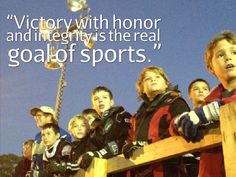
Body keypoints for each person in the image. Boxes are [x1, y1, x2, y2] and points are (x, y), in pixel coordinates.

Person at [174, 31, 236, 177]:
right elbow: (188, 121)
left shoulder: (208, 108)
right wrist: (180, 123)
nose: (228, 57)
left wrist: (208, 113)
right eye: (220, 55)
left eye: (234, 52)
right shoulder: (208, 102)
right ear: (210, 68)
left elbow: (230, 105)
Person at [122, 66, 191, 177]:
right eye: (148, 79)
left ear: (166, 84)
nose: (153, 80)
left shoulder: (175, 102)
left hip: (167, 169)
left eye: (157, 77)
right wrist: (126, 146)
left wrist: (147, 144)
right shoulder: (137, 115)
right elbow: (130, 139)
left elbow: (179, 129)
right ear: (142, 88)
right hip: (140, 170)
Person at [79, 86, 132, 170]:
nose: (100, 100)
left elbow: (122, 141)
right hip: (104, 171)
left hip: (124, 167)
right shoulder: (94, 130)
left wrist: (99, 154)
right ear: (93, 106)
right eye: (96, 99)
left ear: (111, 102)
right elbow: (90, 151)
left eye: (104, 97)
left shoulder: (121, 116)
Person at [29, 106, 72, 171]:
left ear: (49, 117)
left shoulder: (62, 134)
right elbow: (34, 159)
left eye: (39, 116)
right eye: (35, 116)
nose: (36, 118)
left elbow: (65, 160)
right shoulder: (37, 136)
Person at [185, 78, 211, 177]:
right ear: (189, 95)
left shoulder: (217, 113)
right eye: (196, 89)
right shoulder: (184, 118)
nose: (201, 91)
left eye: (205, 89)